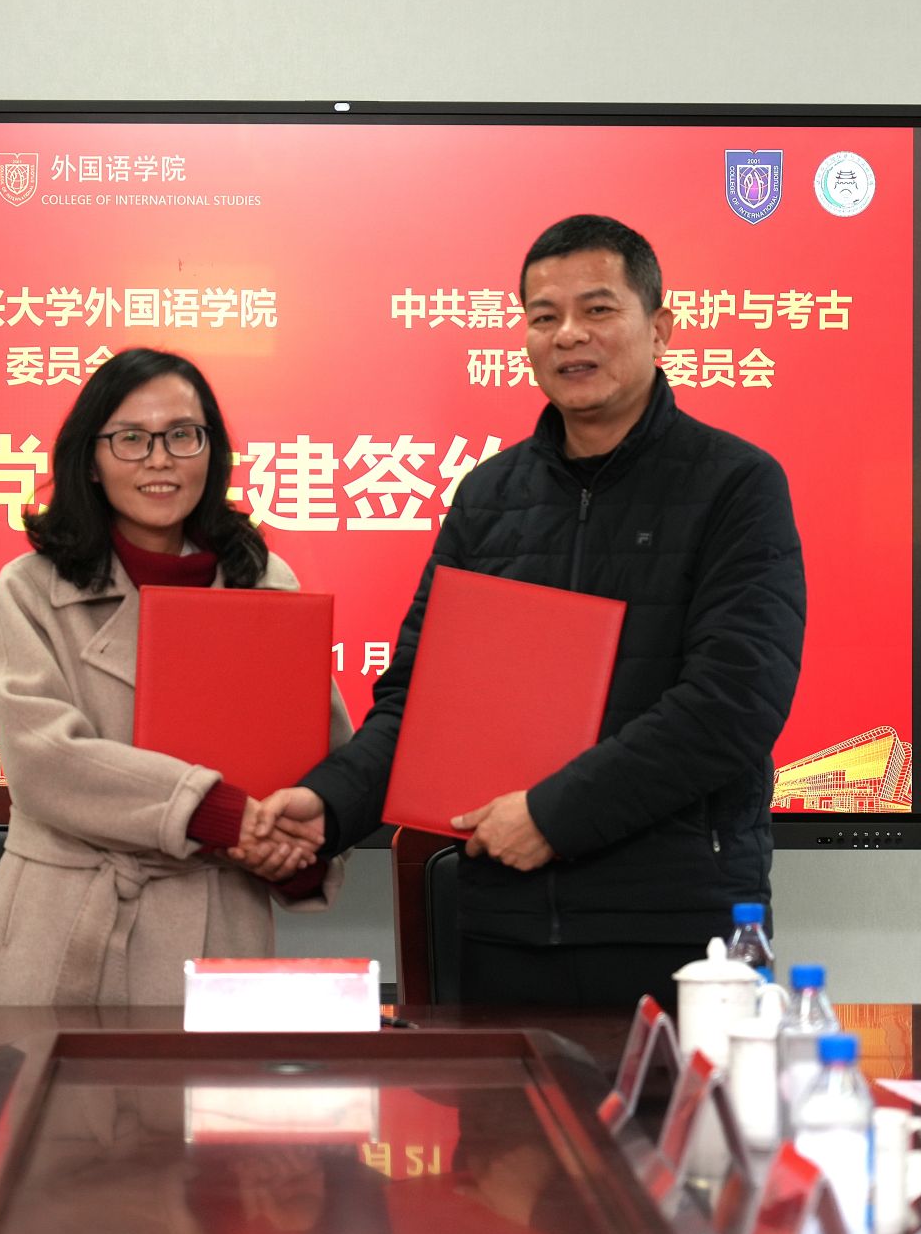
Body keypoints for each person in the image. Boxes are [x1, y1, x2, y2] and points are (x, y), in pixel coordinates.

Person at [253, 215, 806, 1009]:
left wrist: (552, 815)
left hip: (676, 928)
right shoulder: (489, 496)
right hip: (503, 925)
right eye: (544, 316)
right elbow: (418, 701)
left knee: (682, 1103)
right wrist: (330, 804)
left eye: (597, 309)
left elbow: (733, 702)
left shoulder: (735, 484)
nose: (568, 334)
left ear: (661, 328)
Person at [0, 348, 345, 1006]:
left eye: (181, 435)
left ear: (211, 450)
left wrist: (291, 851)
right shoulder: (31, 588)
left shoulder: (265, 582)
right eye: (131, 439)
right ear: (91, 459)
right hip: (66, 926)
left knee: (212, 1080)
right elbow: (44, 760)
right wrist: (218, 814)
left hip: (221, 920)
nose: (160, 459)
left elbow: (320, 757)